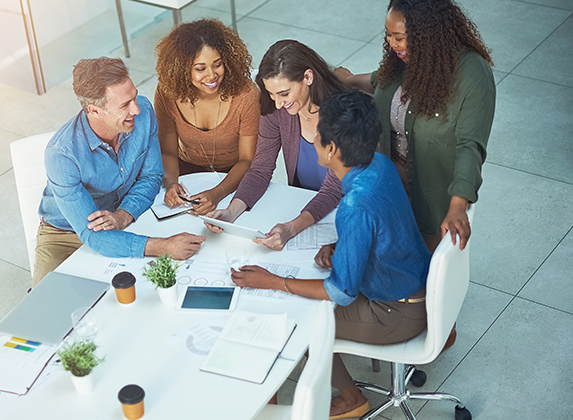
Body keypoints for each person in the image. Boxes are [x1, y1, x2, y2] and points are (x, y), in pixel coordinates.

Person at [231, 90, 431, 418]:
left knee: (302, 324)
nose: (313, 137)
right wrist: (342, 246)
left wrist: (273, 281)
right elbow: (385, 225)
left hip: (397, 312)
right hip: (415, 288)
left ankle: (352, 398)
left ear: (332, 149)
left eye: (318, 133)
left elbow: (340, 291)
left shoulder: (353, 207)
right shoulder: (380, 165)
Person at [335, 0, 495, 254]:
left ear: (427, 35)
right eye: (388, 36)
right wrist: (346, 79)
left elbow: (470, 146)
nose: (392, 44)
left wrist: (457, 206)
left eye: (399, 37)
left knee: (416, 276)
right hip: (389, 190)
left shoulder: (472, 73)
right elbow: (381, 84)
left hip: (431, 202)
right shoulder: (404, 60)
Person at [33, 57, 206, 286]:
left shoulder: (143, 111)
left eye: (133, 96)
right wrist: (163, 246)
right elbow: (94, 236)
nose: (136, 109)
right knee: (45, 308)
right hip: (63, 234)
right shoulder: (62, 155)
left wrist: (123, 215)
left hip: (124, 214)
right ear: (94, 110)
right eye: (124, 105)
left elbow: (151, 176)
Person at [205, 40, 347, 251]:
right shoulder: (276, 110)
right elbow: (260, 170)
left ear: (308, 77)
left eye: (284, 93)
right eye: (271, 94)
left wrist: (291, 228)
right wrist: (231, 212)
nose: (278, 103)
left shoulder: (344, 114)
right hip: (305, 209)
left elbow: (334, 190)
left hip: (344, 215)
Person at [154, 19, 260, 215]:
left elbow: (247, 159)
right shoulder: (167, 92)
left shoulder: (247, 95)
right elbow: (168, 152)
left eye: (217, 64)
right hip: (186, 172)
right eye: (200, 68)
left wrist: (217, 193)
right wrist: (171, 184)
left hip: (235, 175)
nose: (212, 76)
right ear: (182, 69)